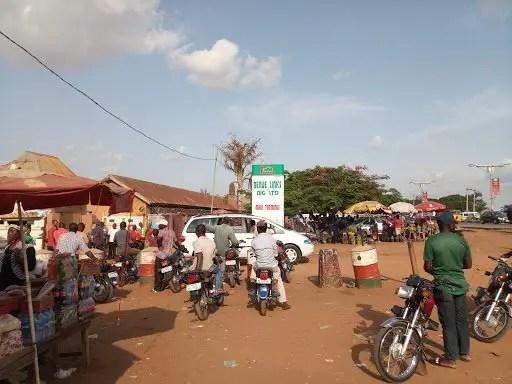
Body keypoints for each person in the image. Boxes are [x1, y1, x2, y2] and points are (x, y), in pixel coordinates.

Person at [423, 211, 471, 368]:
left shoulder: (432, 241)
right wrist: (455, 267)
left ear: (438, 224)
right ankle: (464, 352)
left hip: (443, 287)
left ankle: (450, 358)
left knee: (448, 322)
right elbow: (468, 264)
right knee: (461, 319)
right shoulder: (461, 241)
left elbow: (428, 266)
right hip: (460, 285)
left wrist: (439, 272)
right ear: (451, 224)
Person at [250, 220, 290, 310]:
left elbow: (253, 253)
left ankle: (253, 282)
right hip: (272, 266)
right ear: (266, 228)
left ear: (257, 229)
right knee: (278, 280)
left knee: (253, 267)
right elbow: (276, 254)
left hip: (259, 265)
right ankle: (284, 302)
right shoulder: (272, 239)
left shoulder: (254, 240)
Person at [206, 217, 239, 290]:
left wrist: (204, 224)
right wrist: (237, 243)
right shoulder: (230, 229)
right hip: (226, 252)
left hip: (217, 252)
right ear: (229, 222)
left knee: (219, 266)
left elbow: (208, 227)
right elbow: (235, 242)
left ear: (222, 222)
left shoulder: (217, 228)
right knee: (236, 254)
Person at [0, 226, 37, 290]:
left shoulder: (27, 248)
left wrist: (17, 256)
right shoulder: (8, 247)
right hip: (3, 280)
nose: (9, 233)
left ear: (19, 233)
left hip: (16, 280)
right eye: (9, 231)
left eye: (12, 231)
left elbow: (30, 266)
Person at [193, 224, 220, 292]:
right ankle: (218, 289)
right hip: (209, 268)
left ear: (196, 232)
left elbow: (199, 254)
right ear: (205, 232)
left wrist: (197, 269)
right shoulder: (212, 242)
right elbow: (214, 254)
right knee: (218, 271)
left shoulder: (196, 242)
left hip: (199, 268)